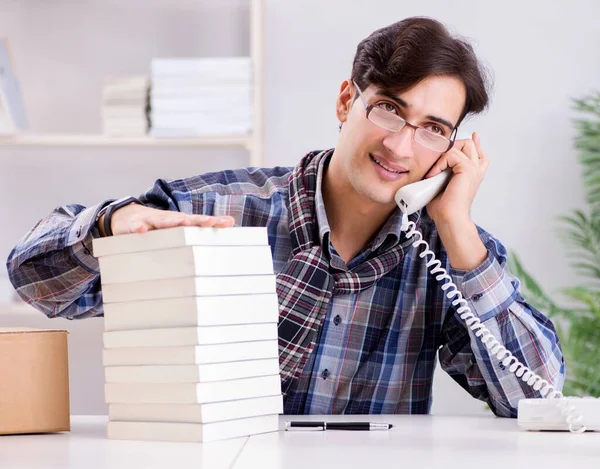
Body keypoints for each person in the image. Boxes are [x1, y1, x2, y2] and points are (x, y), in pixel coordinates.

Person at [6, 17, 564, 417]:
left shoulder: (446, 252)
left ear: (451, 148)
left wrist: (459, 230)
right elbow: (35, 284)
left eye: (433, 128)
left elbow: (536, 399)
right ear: (348, 102)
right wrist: (106, 227)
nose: (401, 145)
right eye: (389, 108)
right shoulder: (221, 209)